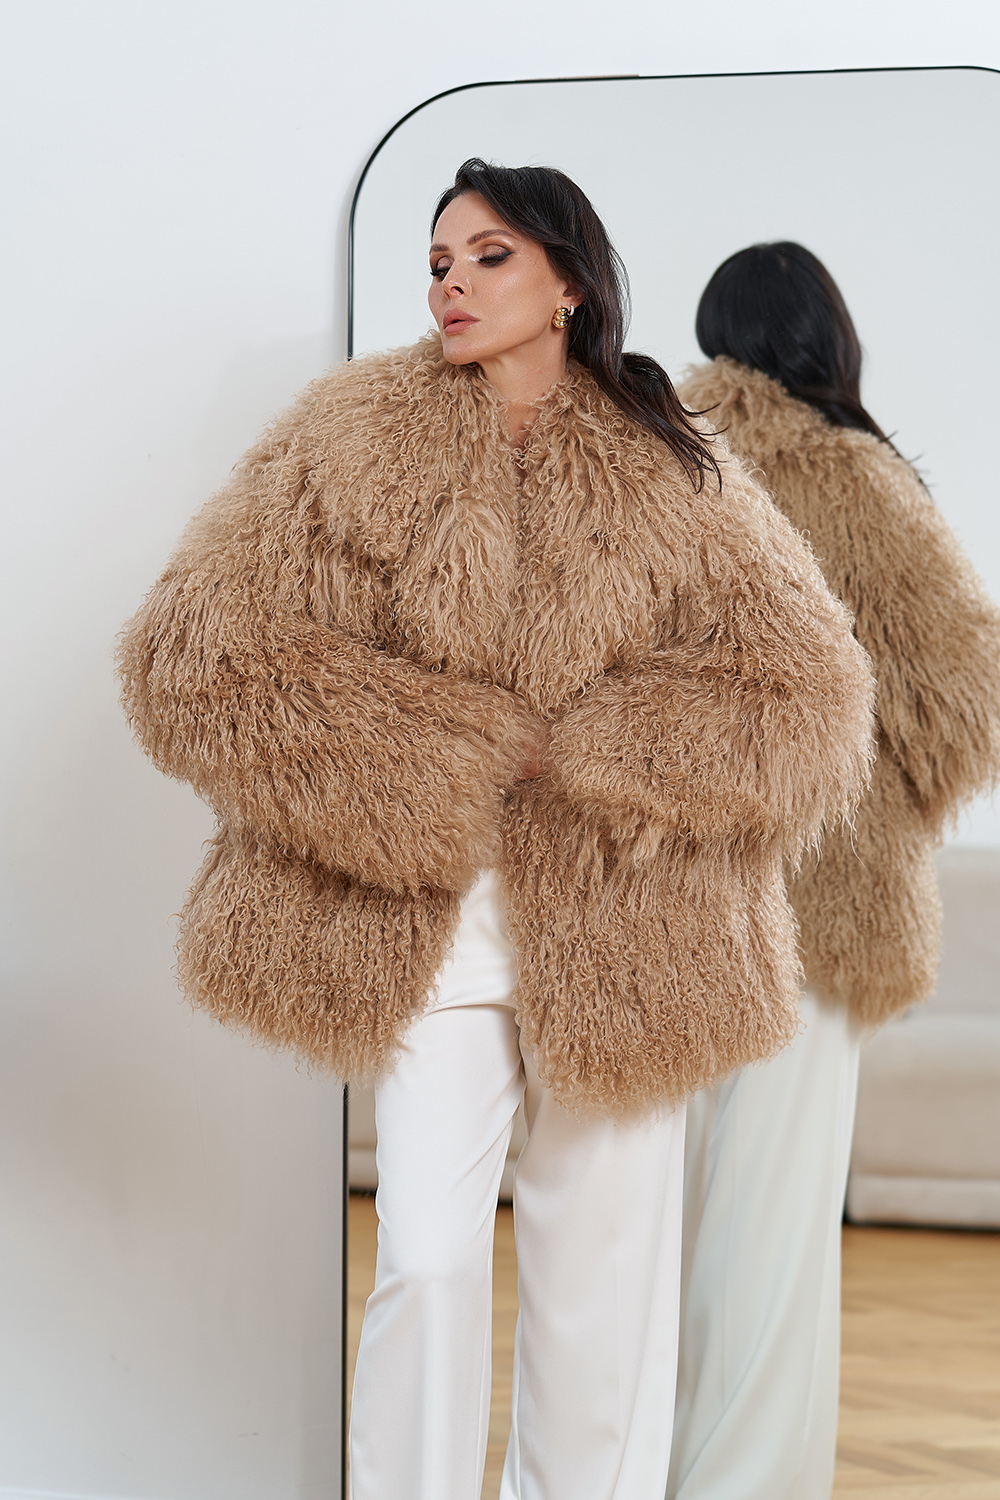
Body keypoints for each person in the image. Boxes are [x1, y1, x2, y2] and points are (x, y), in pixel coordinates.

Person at [117, 169, 874, 1500]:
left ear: (568, 280)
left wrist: (595, 748)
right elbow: (192, 650)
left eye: (488, 255)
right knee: (424, 1258)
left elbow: (810, 688)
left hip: (632, 930)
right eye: (437, 262)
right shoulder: (351, 433)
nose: (451, 284)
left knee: (600, 1299)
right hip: (433, 916)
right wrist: (456, 748)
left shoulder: (669, 458)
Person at [668, 241, 1000, 1500]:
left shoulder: (660, 456)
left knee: (664, 1221)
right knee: (773, 1216)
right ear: (824, 335)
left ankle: (651, 1466)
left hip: (666, 889)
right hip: (818, 897)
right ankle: (744, 1481)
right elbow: (962, 699)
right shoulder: (848, 476)